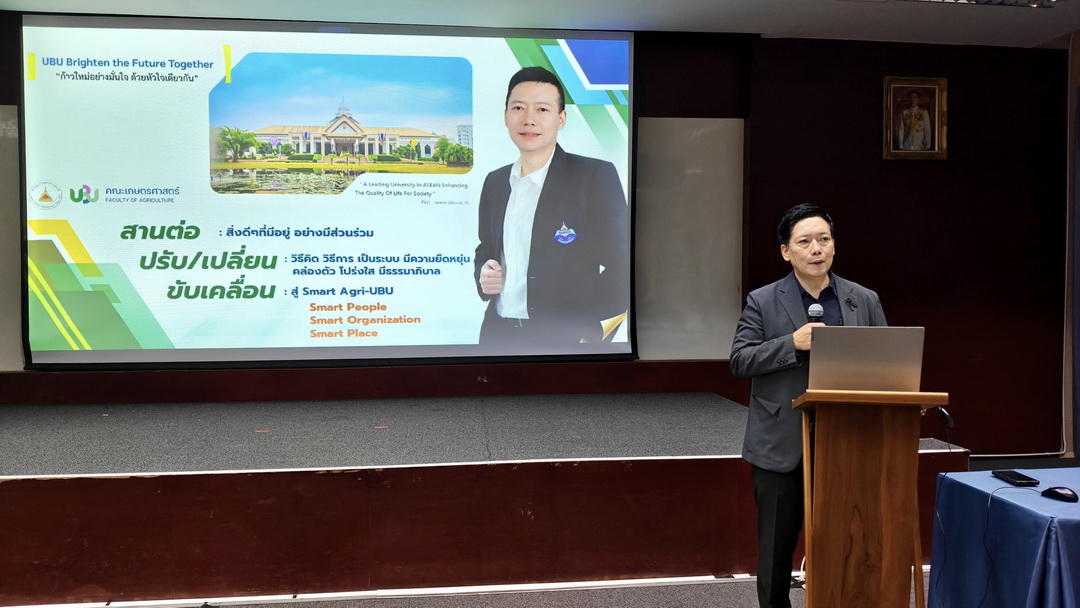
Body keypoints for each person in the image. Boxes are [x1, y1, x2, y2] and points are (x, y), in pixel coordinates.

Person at [729, 203, 886, 608]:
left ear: (834, 245)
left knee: (847, 543)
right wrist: (792, 343)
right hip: (782, 441)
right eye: (804, 242)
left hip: (848, 439)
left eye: (824, 239)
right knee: (776, 550)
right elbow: (740, 360)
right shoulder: (763, 300)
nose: (816, 249)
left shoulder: (863, 299)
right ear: (786, 251)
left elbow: (887, 363)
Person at [473, 66, 629, 352]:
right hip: (497, 335)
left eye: (542, 109)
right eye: (518, 108)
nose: (529, 119)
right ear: (506, 115)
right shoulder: (495, 181)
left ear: (561, 119)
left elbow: (624, 264)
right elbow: (486, 247)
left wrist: (590, 332)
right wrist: (484, 272)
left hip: (562, 340)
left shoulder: (593, 176)